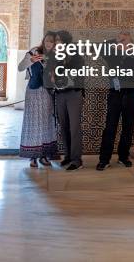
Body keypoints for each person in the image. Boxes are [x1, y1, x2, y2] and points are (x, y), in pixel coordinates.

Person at [97, 30, 134, 171]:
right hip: (115, 94)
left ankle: (123, 157)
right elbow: (101, 48)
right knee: (110, 127)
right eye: (121, 40)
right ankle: (104, 159)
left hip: (132, 95)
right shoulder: (112, 55)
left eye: (126, 40)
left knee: (128, 128)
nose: (123, 42)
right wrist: (116, 41)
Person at [18, 32, 59, 167]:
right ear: (43, 41)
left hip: (47, 93)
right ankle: (33, 157)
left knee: (45, 122)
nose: (48, 43)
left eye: (51, 42)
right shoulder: (33, 52)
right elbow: (20, 67)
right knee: (33, 122)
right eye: (47, 41)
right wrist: (31, 60)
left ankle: (44, 156)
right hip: (34, 92)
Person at [48, 30, 84, 171]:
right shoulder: (55, 55)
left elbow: (78, 73)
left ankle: (77, 160)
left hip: (73, 94)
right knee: (63, 126)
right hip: (60, 94)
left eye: (59, 40)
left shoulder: (75, 54)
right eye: (56, 40)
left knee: (74, 127)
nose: (57, 42)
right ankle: (68, 156)